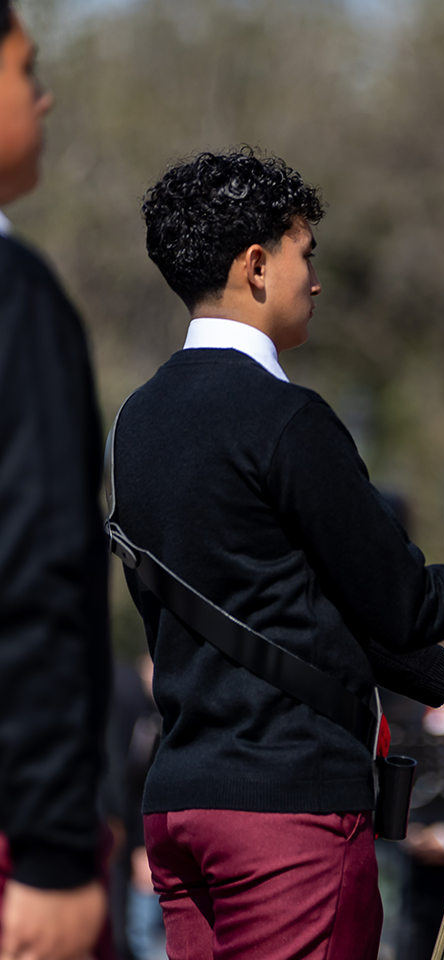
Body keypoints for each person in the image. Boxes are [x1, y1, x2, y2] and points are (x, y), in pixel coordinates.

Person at [112, 148, 444, 960]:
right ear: (255, 265)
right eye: (305, 254)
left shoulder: (139, 419)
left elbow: (285, 601)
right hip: (286, 812)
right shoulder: (285, 418)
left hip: (182, 804)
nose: (315, 279)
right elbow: (405, 601)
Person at [0, 4, 113, 959]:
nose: (44, 93)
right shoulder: (15, 298)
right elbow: (35, 572)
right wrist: (50, 854)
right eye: (24, 66)